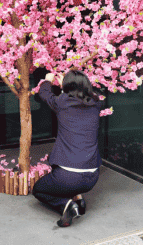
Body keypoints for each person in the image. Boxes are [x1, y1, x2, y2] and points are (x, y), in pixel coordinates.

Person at [32, 69, 105, 227]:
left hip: (67, 176)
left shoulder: (62, 102)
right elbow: (88, 95)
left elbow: (45, 94)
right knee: (71, 181)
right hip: (92, 177)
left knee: (38, 190)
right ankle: (78, 199)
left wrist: (48, 80)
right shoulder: (97, 103)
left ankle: (66, 205)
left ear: (67, 87)